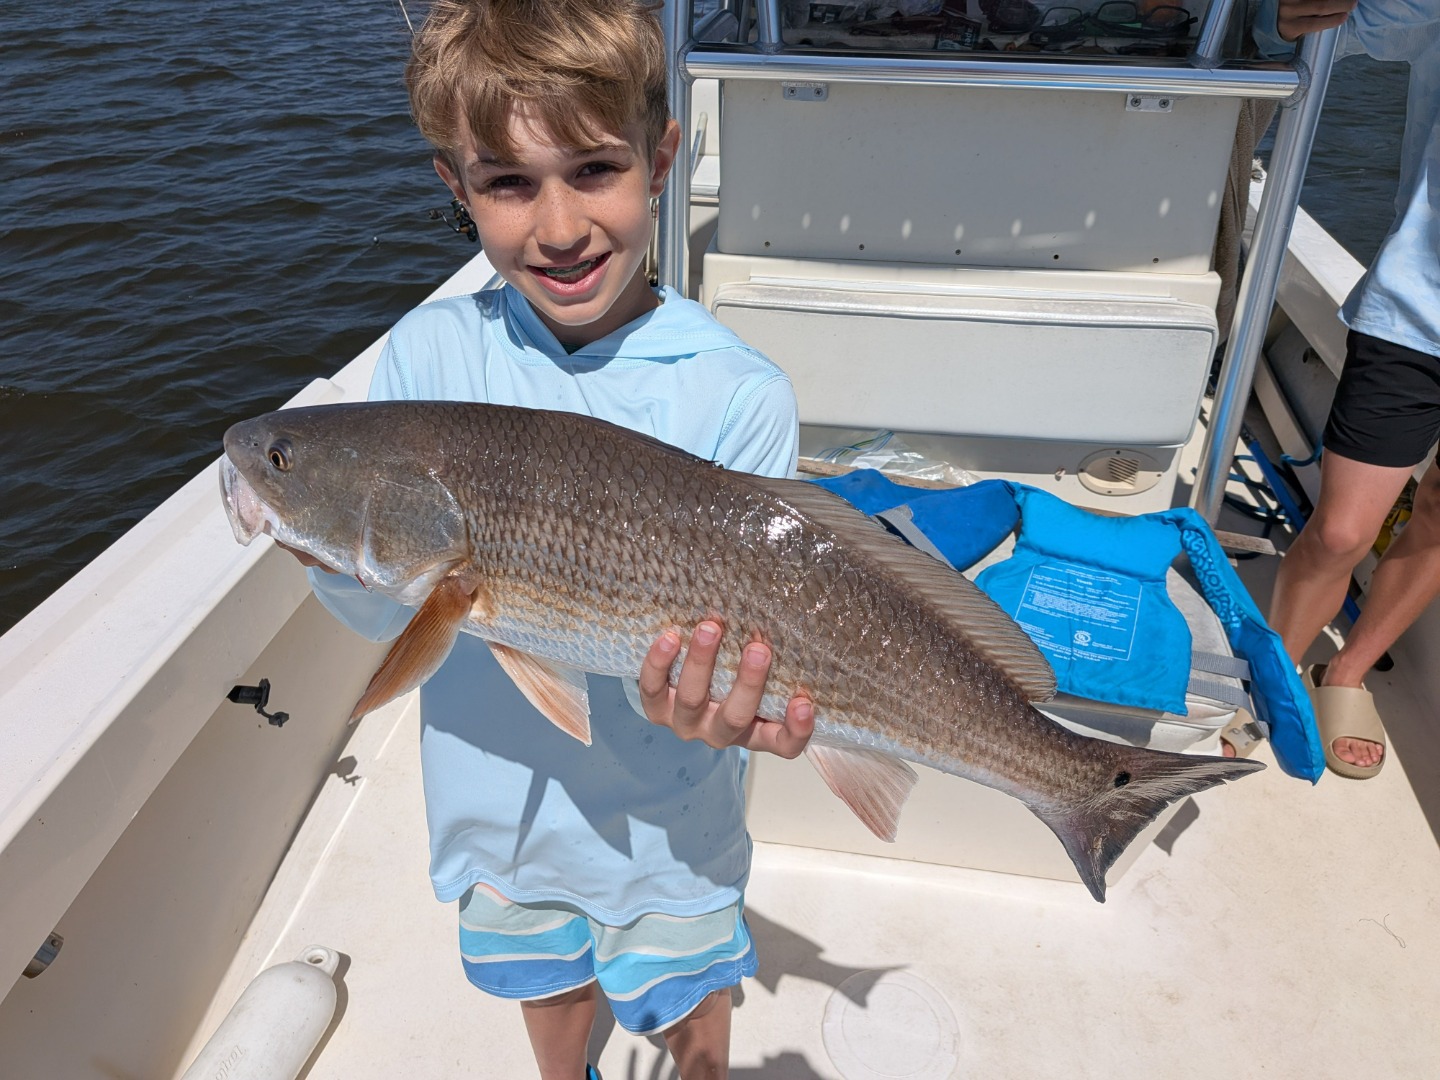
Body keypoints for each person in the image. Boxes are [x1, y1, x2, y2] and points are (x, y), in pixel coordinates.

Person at [287, 1, 815, 1075]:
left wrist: (722, 716)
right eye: (509, 183)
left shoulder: (739, 394)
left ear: (661, 160)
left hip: (673, 827)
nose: (561, 225)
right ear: (456, 185)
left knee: (692, 1004)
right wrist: (319, 540)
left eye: (594, 170)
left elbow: (761, 643)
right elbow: (392, 603)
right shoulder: (427, 358)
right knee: (547, 986)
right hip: (500, 817)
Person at [1246, 0, 1440, 778]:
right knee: (1337, 533)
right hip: (1418, 313)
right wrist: (1278, 17)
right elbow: (1334, 26)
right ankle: (1275, 671)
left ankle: (1348, 670)